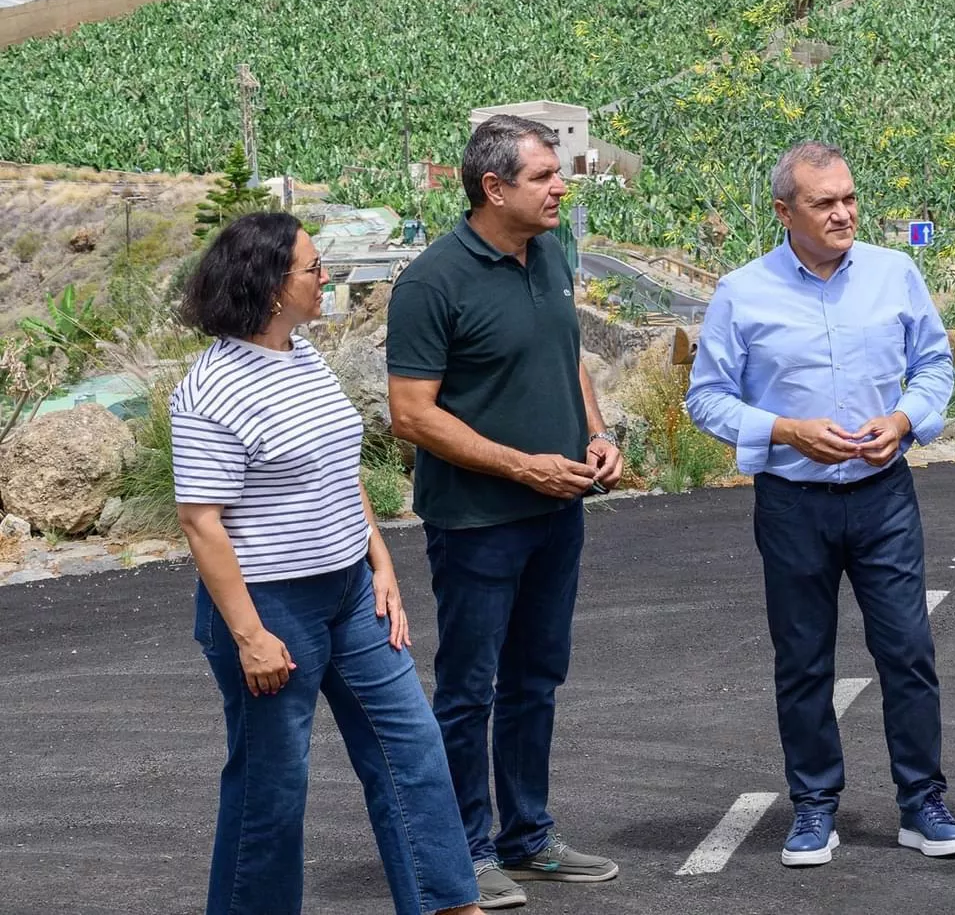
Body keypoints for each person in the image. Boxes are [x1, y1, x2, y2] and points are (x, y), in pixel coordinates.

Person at [171, 212, 482, 915]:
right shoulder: (210, 390)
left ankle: (448, 904)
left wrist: (379, 562)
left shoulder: (302, 354)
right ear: (272, 286)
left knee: (413, 750)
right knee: (272, 787)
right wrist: (250, 635)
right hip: (269, 606)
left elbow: (337, 473)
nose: (326, 278)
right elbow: (201, 522)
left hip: (349, 592)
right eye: (314, 268)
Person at [687, 141, 955, 868]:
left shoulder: (894, 273)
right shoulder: (741, 291)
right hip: (791, 502)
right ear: (785, 212)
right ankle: (814, 806)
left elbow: (935, 363)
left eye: (849, 197)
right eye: (825, 202)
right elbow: (707, 398)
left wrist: (904, 420)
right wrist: (781, 430)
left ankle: (923, 802)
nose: (844, 212)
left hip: (883, 497)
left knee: (907, 650)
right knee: (803, 658)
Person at [386, 114, 622, 907]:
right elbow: (412, 414)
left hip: (560, 513)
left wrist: (596, 432)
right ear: (493, 188)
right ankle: (466, 851)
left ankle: (527, 839)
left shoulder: (551, 252)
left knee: (536, 678)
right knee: (469, 687)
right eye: (545, 176)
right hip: (478, 521)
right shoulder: (432, 281)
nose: (562, 186)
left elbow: (569, 357)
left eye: (560, 173)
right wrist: (520, 465)